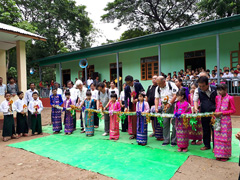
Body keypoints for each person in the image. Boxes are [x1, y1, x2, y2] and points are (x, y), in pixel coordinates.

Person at [194, 76, 217, 150]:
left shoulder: (215, 89)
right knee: (205, 129)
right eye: (199, 86)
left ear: (208, 84)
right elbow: (195, 100)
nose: (201, 88)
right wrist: (195, 108)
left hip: (215, 113)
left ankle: (215, 146)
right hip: (204, 112)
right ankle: (206, 145)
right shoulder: (198, 90)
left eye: (203, 86)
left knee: (215, 129)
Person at [214, 84, 236, 161]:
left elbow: (233, 110)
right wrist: (214, 116)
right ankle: (218, 154)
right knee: (217, 136)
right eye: (218, 90)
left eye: (221, 90)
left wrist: (222, 113)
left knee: (225, 137)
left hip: (226, 120)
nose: (219, 92)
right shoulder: (217, 97)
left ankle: (225, 155)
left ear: (226, 90)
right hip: (217, 119)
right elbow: (217, 107)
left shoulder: (230, 98)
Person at [155, 76, 178, 146]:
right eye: (157, 83)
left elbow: (175, 95)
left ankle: (174, 140)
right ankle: (166, 139)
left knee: (174, 123)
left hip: (174, 105)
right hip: (164, 106)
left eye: (159, 83)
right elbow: (156, 98)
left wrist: (170, 103)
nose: (158, 85)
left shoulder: (171, 85)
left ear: (164, 81)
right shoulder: (158, 88)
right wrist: (156, 108)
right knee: (165, 122)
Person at [124, 75, 145, 139]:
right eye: (127, 83)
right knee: (133, 119)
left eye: (129, 83)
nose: (129, 84)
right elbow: (125, 98)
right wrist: (126, 106)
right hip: (132, 105)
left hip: (139, 104)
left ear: (132, 81)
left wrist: (138, 99)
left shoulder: (138, 84)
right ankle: (134, 134)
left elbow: (143, 93)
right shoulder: (127, 88)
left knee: (139, 118)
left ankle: (141, 133)